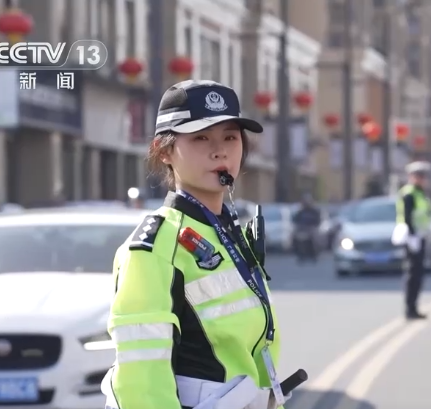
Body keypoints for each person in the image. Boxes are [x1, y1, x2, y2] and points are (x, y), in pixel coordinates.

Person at [101, 80, 290, 409]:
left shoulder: (226, 232)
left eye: (230, 137)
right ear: (164, 150)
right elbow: (141, 383)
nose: (219, 151)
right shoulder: (155, 248)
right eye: (201, 138)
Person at [395, 161, 431, 320]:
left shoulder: (421, 193)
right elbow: (408, 215)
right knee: (413, 273)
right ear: (411, 177)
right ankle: (410, 308)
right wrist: (412, 236)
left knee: (418, 273)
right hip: (412, 237)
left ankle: (414, 307)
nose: (420, 179)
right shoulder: (409, 193)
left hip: (420, 235)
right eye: (417, 176)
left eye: (422, 176)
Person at [292, 194, 322, 262]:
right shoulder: (301, 212)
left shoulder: (314, 211)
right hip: (302, 229)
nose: (306, 203)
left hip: (312, 228)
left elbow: (318, 221)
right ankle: (299, 253)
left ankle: (314, 253)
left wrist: (314, 225)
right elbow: (296, 220)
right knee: (295, 237)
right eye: (305, 201)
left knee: (315, 238)